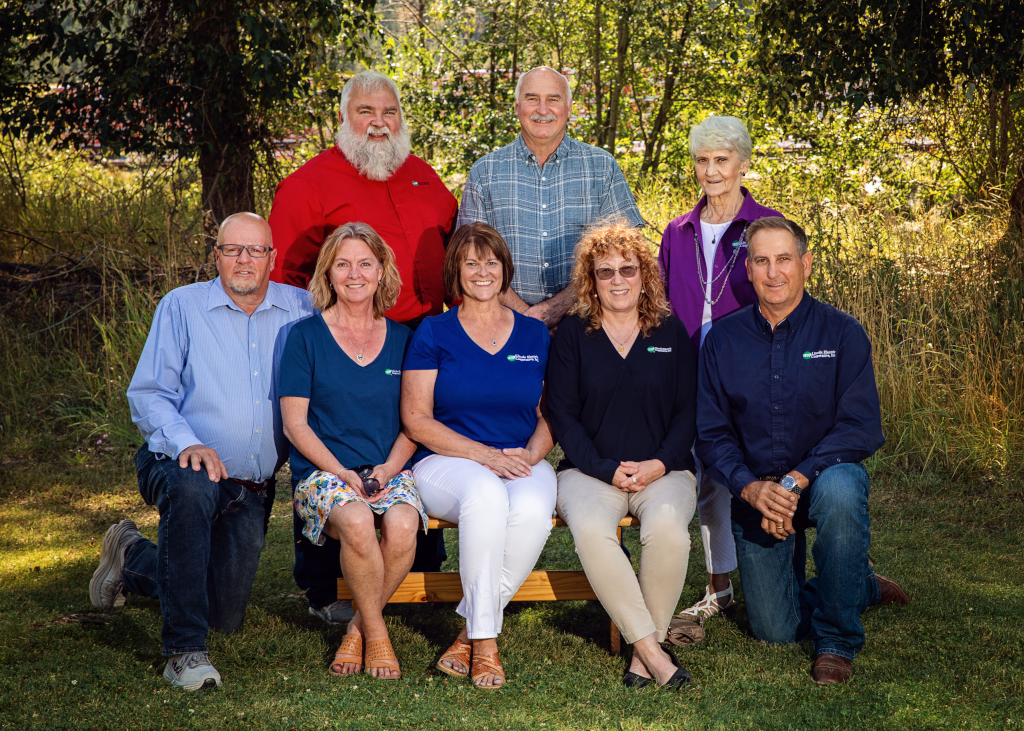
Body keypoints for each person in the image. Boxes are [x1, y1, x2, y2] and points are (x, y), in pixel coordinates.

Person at [89, 212, 316, 690]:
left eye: (256, 250)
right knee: (191, 488)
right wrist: (187, 442)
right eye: (232, 249)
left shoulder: (303, 309)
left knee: (224, 613)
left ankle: (130, 556)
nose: (244, 259)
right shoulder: (182, 306)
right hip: (178, 462)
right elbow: (149, 394)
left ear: (273, 258)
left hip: (250, 487)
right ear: (216, 255)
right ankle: (183, 651)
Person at [268, 69, 457, 623]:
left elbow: (453, 254)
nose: (379, 123)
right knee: (337, 450)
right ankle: (325, 588)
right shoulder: (309, 184)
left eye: (389, 112)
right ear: (344, 119)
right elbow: (285, 277)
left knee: (411, 448)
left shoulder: (425, 178)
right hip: (339, 341)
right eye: (366, 112)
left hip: (420, 340)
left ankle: (417, 574)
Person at [696, 216, 910, 685]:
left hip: (822, 478)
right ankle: (860, 584)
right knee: (775, 631)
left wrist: (795, 479)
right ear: (748, 270)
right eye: (762, 261)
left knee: (840, 488)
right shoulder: (722, 341)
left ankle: (836, 639)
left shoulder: (842, 333)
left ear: (806, 264)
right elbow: (712, 433)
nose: (774, 273)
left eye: (784, 259)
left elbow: (860, 426)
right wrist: (751, 489)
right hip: (758, 493)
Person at [401, 223, 555, 690]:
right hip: (448, 461)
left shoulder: (534, 335)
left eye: (491, 262)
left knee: (531, 509)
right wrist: (484, 455)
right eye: (471, 263)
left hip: (518, 456)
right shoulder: (434, 332)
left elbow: (551, 415)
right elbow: (416, 419)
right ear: (456, 271)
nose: (482, 271)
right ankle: (485, 643)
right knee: (487, 495)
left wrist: (529, 453)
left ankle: (468, 627)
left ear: (505, 269)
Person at [546, 221, 697, 690]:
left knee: (669, 531)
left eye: (627, 270)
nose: (617, 280)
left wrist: (660, 463)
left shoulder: (671, 331)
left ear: (644, 274)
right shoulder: (573, 334)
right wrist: (604, 468)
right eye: (605, 271)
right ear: (590, 279)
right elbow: (563, 416)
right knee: (592, 532)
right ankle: (651, 650)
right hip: (589, 472)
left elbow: (690, 411)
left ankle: (638, 655)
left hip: (663, 468)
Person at [280, 222, 429, 680]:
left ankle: (357, 630)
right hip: (324, 472)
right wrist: (341, 471)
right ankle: (379, 637)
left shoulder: (405, 339)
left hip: (389, 468)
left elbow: (414, 422)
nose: (354, 274)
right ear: (328, 275)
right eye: (342, 264)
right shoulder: (304, 337)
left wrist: (387, 469)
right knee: (360, 524)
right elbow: (295, 424)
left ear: (382, 272)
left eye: (365, 263)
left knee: (403, 526)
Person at [658, 115, 783, 623]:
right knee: (705, 475)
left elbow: (785, 299)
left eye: (721, 160)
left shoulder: (765, 226)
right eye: (702, 161)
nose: (711, 171)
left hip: (751, 372)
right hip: (691, 376)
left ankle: (792, 570)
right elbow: (662, 306)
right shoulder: (677, 230)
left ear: (743, 164)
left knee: (761, 469)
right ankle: (719, 587)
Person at [457, 66, 644, 331]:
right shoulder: (485, 172)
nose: (542, 110)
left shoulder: (602, 167)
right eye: (532, 98)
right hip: (505, 326)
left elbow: (629, 251)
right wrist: (526, 317)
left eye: (553, 99)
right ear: (517, 106)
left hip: (588, 326)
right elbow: (467, 257)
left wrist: (557, 308)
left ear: (569, 108)